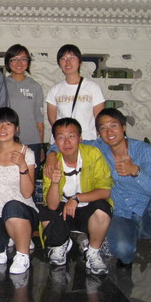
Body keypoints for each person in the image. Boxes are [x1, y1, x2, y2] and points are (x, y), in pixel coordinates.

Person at [45, 108, 151, 288]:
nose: (109, 132)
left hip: (147, 213)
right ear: (98, 133)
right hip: (121, 214)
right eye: (103, 128)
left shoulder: (144, 150)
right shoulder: (98, 147)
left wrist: (135, 171)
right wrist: (51, 155)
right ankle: (127, 256)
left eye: (113, 125)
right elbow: (68, 142)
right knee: (122, 250)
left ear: (123, 127)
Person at [40, 118, 113, 275]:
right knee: (46, 213)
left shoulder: (93, 154)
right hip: (64, 213)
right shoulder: (52, 163)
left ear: (80, 138)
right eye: (61, 137)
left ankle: (93, 252)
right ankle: (60, 244)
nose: (67, 142)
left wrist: (77, 198)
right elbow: (52, 205)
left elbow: (105, 191)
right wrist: (54, 183)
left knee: (102, 208)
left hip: (87, 209)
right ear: (55, 142)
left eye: (71, 136)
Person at [0, 107, 37, 274]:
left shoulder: (26, 153)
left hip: (21, 210)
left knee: (12, 206)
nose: (3, 128)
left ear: (17, 129)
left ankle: (23, 254)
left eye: (8, 124)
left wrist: (22, 165)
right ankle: (16, 236)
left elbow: (27, 193)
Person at [46, 44, 105, 141]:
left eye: (72, 58)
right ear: (59, 63)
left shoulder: (93, 88)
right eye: (63, 58)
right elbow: (52, 119)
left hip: (87, 140)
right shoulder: (55, 90)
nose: (68, 62)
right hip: (63, 142)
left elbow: (100, 119)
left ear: (80, 61)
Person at [4, 44, 44, 166]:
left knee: (30, 176)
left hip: (32, 142)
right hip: (7, 141)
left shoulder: (35, 86)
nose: (19, 63)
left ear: (28, 62)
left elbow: (39, 117)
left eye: (23, 59)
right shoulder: (2, 85)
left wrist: (41, 145)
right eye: (14, 59)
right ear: (8, 62)